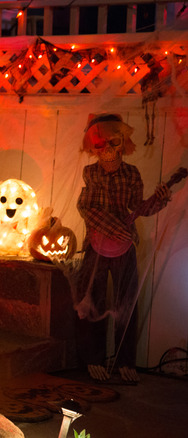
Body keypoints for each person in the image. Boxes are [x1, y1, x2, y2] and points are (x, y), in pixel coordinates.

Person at [76, 113, 171, 383]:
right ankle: (92, 358)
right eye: (99, 145)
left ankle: (124, 360)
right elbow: (86, 208)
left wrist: (158, 202)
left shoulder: (131, 174)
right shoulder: (90, 172)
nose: (106, 150)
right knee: (91, 300)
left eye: (113, 143)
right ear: (91, 146)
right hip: (95, 244)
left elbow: (137, 207)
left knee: (126, 301)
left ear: (123, 142)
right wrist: (110, 225)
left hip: (124, 246)